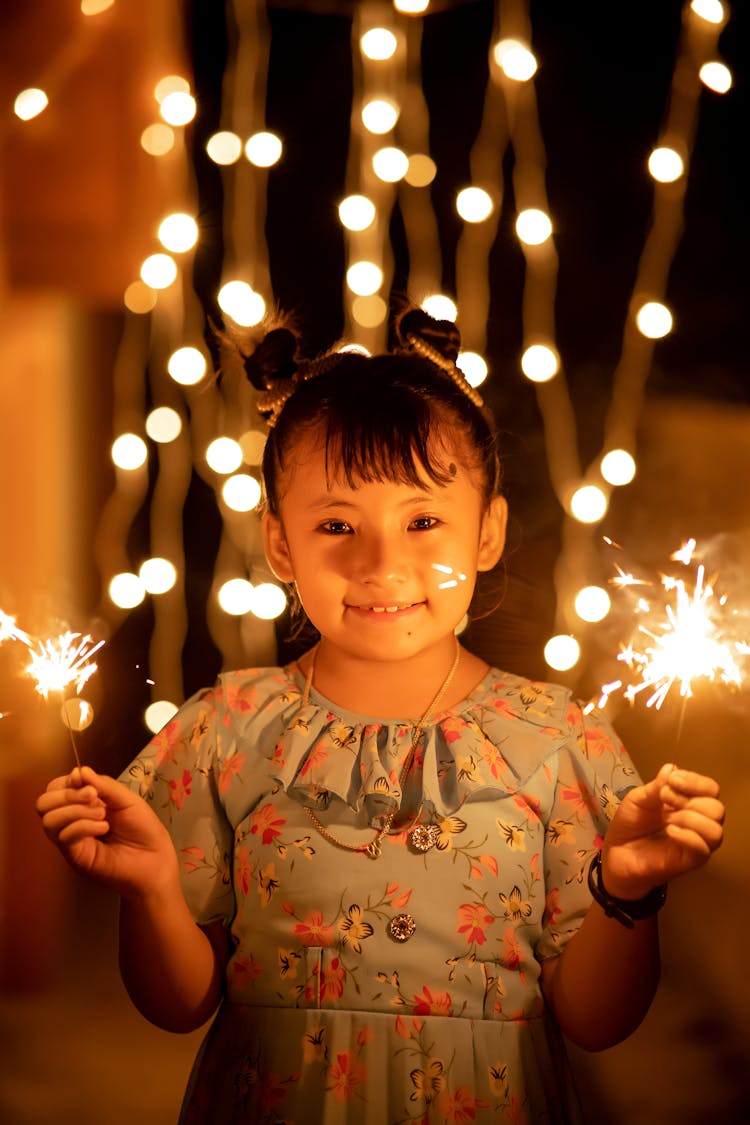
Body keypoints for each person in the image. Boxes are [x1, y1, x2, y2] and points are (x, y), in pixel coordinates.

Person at [37, 308, 724, 1124]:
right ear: (281, 544)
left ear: (488, 532)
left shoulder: (558, 741)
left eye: (424, 520)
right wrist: (150, 888)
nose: (381, 563)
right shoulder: (225, 730)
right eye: (336, 524)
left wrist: (628, 891)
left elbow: (597, 1021)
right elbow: (177, 1004)